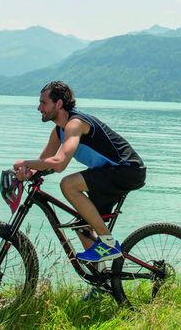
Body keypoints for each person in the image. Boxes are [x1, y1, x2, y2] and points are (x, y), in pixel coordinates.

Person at [13, 81, 146, 262]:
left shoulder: (75, 124)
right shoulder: (58, 132)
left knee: (68, 184)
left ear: (58, 104)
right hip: (110, 172)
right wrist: (27, 173)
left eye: (43, 103)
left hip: (127, 170)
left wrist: (26, 162)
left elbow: (59, 164)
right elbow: (43, 163)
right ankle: (102, 284)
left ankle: (108, 243)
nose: (39, 107)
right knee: (82, 226)